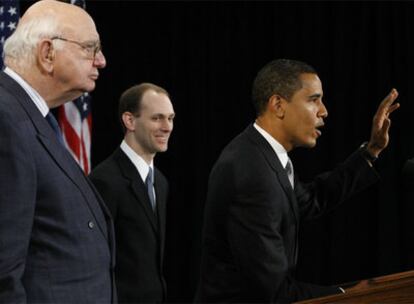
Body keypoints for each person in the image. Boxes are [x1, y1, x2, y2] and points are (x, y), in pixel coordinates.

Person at [196, 59, 399, 303]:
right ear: (278, 105)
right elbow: (274, 293)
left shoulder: (264, 155)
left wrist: (372, 150)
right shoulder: (250, 171)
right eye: (314, 99)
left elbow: (312, 200)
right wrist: (351, 297)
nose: (324, 111)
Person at [0, 1, 115, 303]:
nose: (101, 60)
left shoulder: (34, 118)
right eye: (90, 48)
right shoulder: (6, 119)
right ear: (47, 53)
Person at [90, 83, 175, 303]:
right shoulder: (105, 180)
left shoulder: (161, 183)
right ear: (130, 121)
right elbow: (97, 261)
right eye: (157, 118)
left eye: (171, 118)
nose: (167, 127)